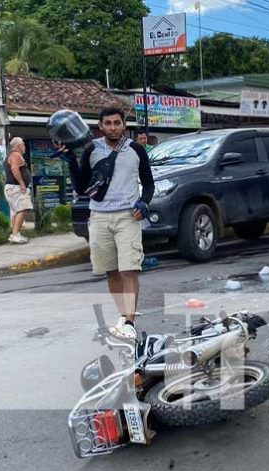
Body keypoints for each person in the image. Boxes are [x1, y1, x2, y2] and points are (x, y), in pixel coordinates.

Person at [60, 108, 154, 340]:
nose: (113, 127)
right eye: (108, 123)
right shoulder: (92, 149)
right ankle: (123, 316)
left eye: (117, 123)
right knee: (111, 271)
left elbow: (148, 183)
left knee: (129, 269)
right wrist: (71, 161)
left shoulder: (136, 150)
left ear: (124, 125)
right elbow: (82, 187)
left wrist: (144, 202)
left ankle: (130, 322)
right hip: (99, 216)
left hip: (127, 216)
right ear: (100, 126)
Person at [4, 137, 32, 244]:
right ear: (19, 146)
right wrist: (22, 184)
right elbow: (14, 169)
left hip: (12, 188)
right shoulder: (15, 155)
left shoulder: (11, 155)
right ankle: (15, 235)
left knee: (17, 211)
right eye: (23, 145)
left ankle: (15, 234)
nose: (25, 147)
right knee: (24, 208)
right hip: (16, 188)